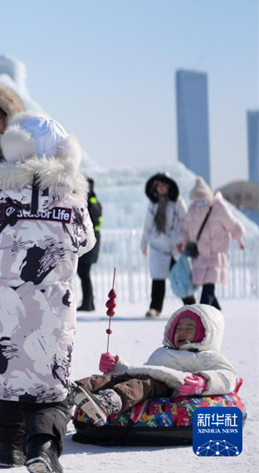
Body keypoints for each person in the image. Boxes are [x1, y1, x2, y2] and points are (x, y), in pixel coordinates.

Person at [0, 111, 96, 471]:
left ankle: (10, 449)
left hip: (1, 301)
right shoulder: (72, 199)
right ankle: (42, 448)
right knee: (48, 380)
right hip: (52, 303)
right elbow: (86, 242)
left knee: (9, 375)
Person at [72, 305, 237, 426]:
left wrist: (204, 382)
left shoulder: (206, 355)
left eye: (189, 328)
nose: (182, 332)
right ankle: (74, 390)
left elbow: (228, 376)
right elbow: (143, 371)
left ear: (207, 334)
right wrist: (117, 365)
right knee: (113, 379)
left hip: (170, 384)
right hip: (148, 378)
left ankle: (109, 402)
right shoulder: (162, 351)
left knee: (143, 385)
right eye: (178, 327)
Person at [176, 177, 246, 310]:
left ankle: (202, 312)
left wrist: (239, 240)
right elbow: (185, 229)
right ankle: (216, 311)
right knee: (207, 285)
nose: (199, 203)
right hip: (200, 254)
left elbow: (232, 225)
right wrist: (182, 242)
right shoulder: (192, 210)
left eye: (202, 200)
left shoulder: (219, 207)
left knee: (208, 286)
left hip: (216, 253)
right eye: (196, 200)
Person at [141, 173, 187, 317]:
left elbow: (185, 222)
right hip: (157, 246)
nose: (160, 188)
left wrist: (180, 240)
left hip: (174, 247)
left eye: (163, 185)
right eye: (158, 185)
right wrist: (144, 244)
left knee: (179, 277)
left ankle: (190, 305)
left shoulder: (177, 202)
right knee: (157, 278)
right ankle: (155, 308)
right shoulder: (153, 203)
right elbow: (148, 225)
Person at [77, 177, 103, 311]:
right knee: (85, 274)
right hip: (92, 242)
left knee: (84, 274)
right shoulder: (95, 201)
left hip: (88, 243)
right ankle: (89, 302)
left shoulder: (89, 202)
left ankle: (88, 303)